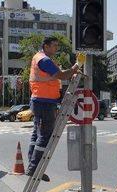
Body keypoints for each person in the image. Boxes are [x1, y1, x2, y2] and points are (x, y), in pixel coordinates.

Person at [26, 37, 80, 182]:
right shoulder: (44, 60)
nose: (56, 48)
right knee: (45, 135)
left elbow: (56, 74)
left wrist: (67, 72)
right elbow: (60, 75)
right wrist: (74, 68)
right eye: (54, 46)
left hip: (39, 100)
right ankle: (34, 168)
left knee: (37, 134)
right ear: (46, 46)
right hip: (44, 102)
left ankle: (32, 165)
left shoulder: (39, 58)